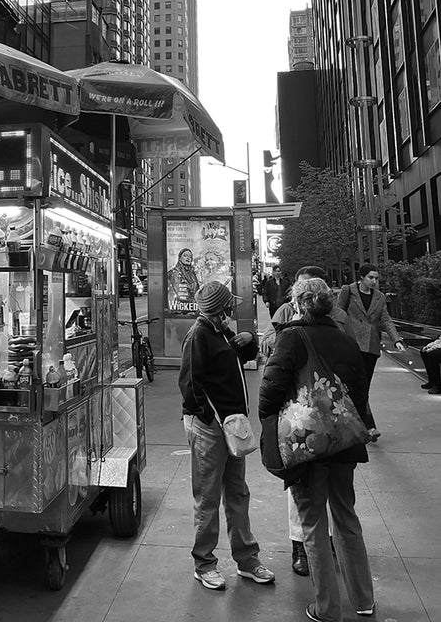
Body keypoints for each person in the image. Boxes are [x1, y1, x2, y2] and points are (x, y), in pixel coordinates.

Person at [259, 277, 374, 622]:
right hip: (344, 445)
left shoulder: (292, 337)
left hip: (307, 447)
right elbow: (360, 394)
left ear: (298, 304)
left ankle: (326, 609)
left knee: (312, 523)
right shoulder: (346, 339)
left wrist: (276, 421)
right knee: (346, 517)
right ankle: (364, 600)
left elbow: (269, 393)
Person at [178, 280, 275, 591]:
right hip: (211, 428)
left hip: (231, 427)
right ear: (220, 310)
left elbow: (237, 356)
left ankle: (247, 559)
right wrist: (212, 421)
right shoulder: (199, 335)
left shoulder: (220, 332)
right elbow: (191, 385)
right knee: (208, 497)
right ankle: (204, 563)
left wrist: (246, 343)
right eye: (229, 307)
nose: (233, 310)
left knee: (237, 492)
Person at [260, 265, 352, 579]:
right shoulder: (287, 321)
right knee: (308, 492)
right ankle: (304, 548)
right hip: (309, 423)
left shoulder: (340, 322)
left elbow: (270, 385)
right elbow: (271, 355)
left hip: (328, 425)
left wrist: (268, 418)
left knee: (313, 494)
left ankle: (322, 566)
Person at [336, 263, 405, 441]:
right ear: (362, 277)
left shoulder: (380, 297)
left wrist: (396, 339)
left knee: (363, 386)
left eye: (376, 278)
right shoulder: (348, 290)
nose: (374, 281)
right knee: (356, 386)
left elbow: (385, 319)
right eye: (371, 277)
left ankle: (362, 426)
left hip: (371, 346)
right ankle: (367, 426)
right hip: (351, 344)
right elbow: (338, 313)